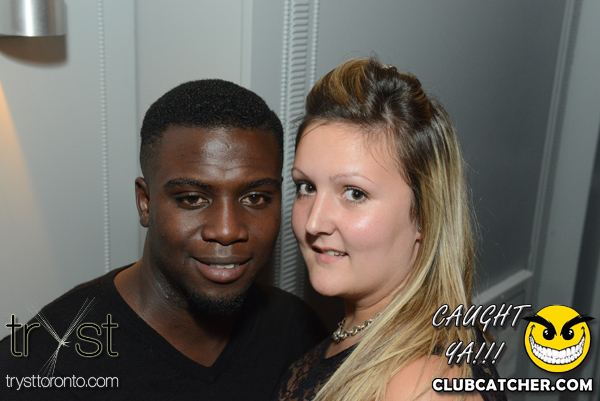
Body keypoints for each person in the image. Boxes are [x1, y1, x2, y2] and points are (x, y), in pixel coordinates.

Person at [0, 79, 326, 400]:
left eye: (255, 197)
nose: (227, 230)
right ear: (145, 203)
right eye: (192, 198)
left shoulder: (296, 329)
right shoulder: (41, 364)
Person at [273, 59, 506, 401]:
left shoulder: (422, 385)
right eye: (306, 187)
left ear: (425, 215)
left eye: (355, 193)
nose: (313, 223)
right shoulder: (375, 325)